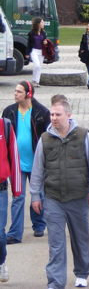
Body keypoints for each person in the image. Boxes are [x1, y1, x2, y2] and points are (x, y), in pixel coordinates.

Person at [30, 95, 89, 288]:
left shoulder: (82, 135)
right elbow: (37, 170)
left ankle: (81, 273)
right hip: (53, 198)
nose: (53, 118)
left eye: (58, 114)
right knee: (56, 242)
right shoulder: (44, 139)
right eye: (52, 114)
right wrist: (35, 195)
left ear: (68, 115)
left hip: (78, 197)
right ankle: (55, 281)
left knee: (80, 238)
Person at [2, 81, 49, 244]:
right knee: (18, 197)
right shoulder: (8, 112)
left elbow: (47, 139)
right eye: (15, 91)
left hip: (36, 162)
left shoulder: (42, 112)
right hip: (16, 164)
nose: (15, 94)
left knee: (39, 195)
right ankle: (15, 233)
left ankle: (39, 224)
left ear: (29, 94)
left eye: (19, 91)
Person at [0, 116, 21, 283]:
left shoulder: (4, 126)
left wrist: (17, 188)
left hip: (0, 188)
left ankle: (1, 262)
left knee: (0, 234)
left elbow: (14, 156)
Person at [26, 17, 47, 87]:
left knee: (39, 67)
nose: (43, 23)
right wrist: (27, 53)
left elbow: (45, 41)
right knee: (37, 65)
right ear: (38, 24)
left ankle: (36, 81)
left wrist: (45, 42)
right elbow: (29, 44)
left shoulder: (43, 33)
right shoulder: (31, 33)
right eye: (42, 22)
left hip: (41, 52)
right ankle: (34, 79)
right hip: (34, 51)